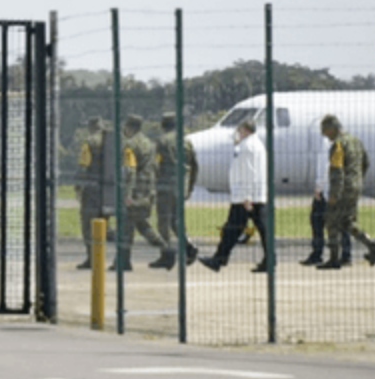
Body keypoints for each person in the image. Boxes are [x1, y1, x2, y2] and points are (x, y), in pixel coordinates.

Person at [199, 119, 270, 273]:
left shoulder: (246, 147)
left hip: (245, 196)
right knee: (263, 229)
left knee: (232, 228)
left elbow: (247, 172)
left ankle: (218, 259)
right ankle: (270, 260)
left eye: (240, 130)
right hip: (256, 194)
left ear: (245, 130)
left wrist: (246, 196)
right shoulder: (257, 145)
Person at [317, 115, 375, 269]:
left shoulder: (339, 145)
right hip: (355, 186)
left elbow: (337, 170)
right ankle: (372, 245)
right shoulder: (356, 141)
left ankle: (334, 259)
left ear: (333, 129)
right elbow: (366, 162)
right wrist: (357, 179)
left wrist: (334, 193)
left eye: (326, 131)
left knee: (331, 220)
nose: (326, 135)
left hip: (343, 188)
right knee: (348, 222)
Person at [114, 114, 175, 272]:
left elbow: (130, 170)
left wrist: (127, 194)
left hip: (135, 190)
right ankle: (123, 260)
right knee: (139, 223)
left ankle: (166, 250)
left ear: (129, 128)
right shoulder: (149, 143)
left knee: (129, 224)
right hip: (148, 188)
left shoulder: (130, 145)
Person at [154, 112, 199, 265]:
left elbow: (156, 165)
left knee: (163, 222)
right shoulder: (186, 142)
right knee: (176, 221)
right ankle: (189, 247)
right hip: (182, 186)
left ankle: (167, 255)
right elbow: (194, 166)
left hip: (165, 185)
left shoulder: (162, 141)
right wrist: (190, 187)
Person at [301, 135, 352, 266]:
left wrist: (319, 186)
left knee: (317, 221)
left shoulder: (326, 144)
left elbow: (325, 167)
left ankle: (318, 253)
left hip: (328, 190)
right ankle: (346, 255)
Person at [75, 116, 106, 270]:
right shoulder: (114, 141)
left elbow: (83, 166)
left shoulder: (90, 142)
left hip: (92, 190)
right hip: (109, 190)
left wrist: (78, 187)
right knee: (104, 223)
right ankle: (102, 257)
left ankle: (91, 258)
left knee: (88, 225)